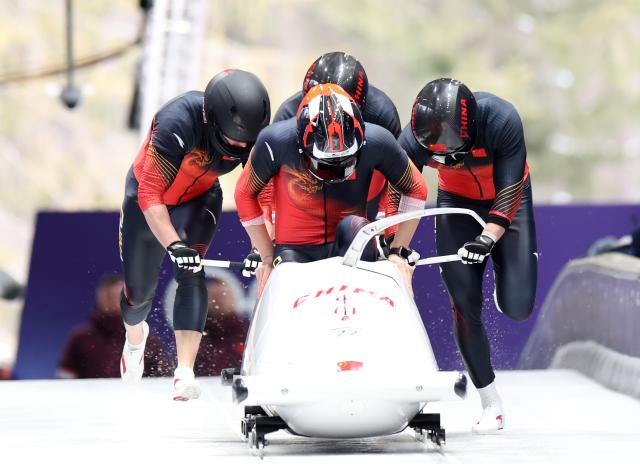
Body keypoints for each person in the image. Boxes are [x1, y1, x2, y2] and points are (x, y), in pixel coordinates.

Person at [118, 69, 270, 400]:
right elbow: (150, 196)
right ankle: (134, 338)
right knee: (137, 299)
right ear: (212, 121)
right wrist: (173, 244)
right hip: (149, 199)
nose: (241, 148)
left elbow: (260, 193)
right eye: (234, 142)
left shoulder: (254, 135)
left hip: (201, 198)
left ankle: (184, 372)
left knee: (192, 271)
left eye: (248, 143)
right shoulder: (177, 120)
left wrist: (263, 249)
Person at [399, 78, 537, 433]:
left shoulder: (502, 119)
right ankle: (491, 403)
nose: (448, 159)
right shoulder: (411, 139)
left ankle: (509, 278)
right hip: (456, 202)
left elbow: (508, 192)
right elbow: (396, 191)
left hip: (508, 197)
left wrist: (488, 238)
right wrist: (394, 246)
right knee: (463, 302)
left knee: (518, 306)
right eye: (439, 155)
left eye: (455, 153)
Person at [235, 84, 427, 296]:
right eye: (325, 166)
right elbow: (245, 193)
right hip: (295, 250)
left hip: (352, 242)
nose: (336, 172)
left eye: (346, 162)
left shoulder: (378, 140)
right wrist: (267, 256)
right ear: (301, 145)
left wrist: (398, 251)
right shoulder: (275, 142)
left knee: (355, 226)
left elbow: (415, 187)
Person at [239, 52, 404, 279]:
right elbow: (269, 184)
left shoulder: (382, 116)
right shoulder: (290, 115)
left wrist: (390, 236)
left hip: (360, 190)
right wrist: (264, 245)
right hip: (307, 195)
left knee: (358, 229)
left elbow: (394, 180)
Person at [57, 275, 167, 379]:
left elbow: (161, 374)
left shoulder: (145, 337)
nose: (113, 302)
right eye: (109, 297)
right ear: (100, 299)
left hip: (133, 397)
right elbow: (65, 377)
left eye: (118, 297)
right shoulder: (80, 337)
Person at [193, 277, 249, 376]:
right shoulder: (195, 334)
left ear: (233, 299)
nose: (219, 300)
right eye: (214, 296)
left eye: (223, 296)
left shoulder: (247, 333)